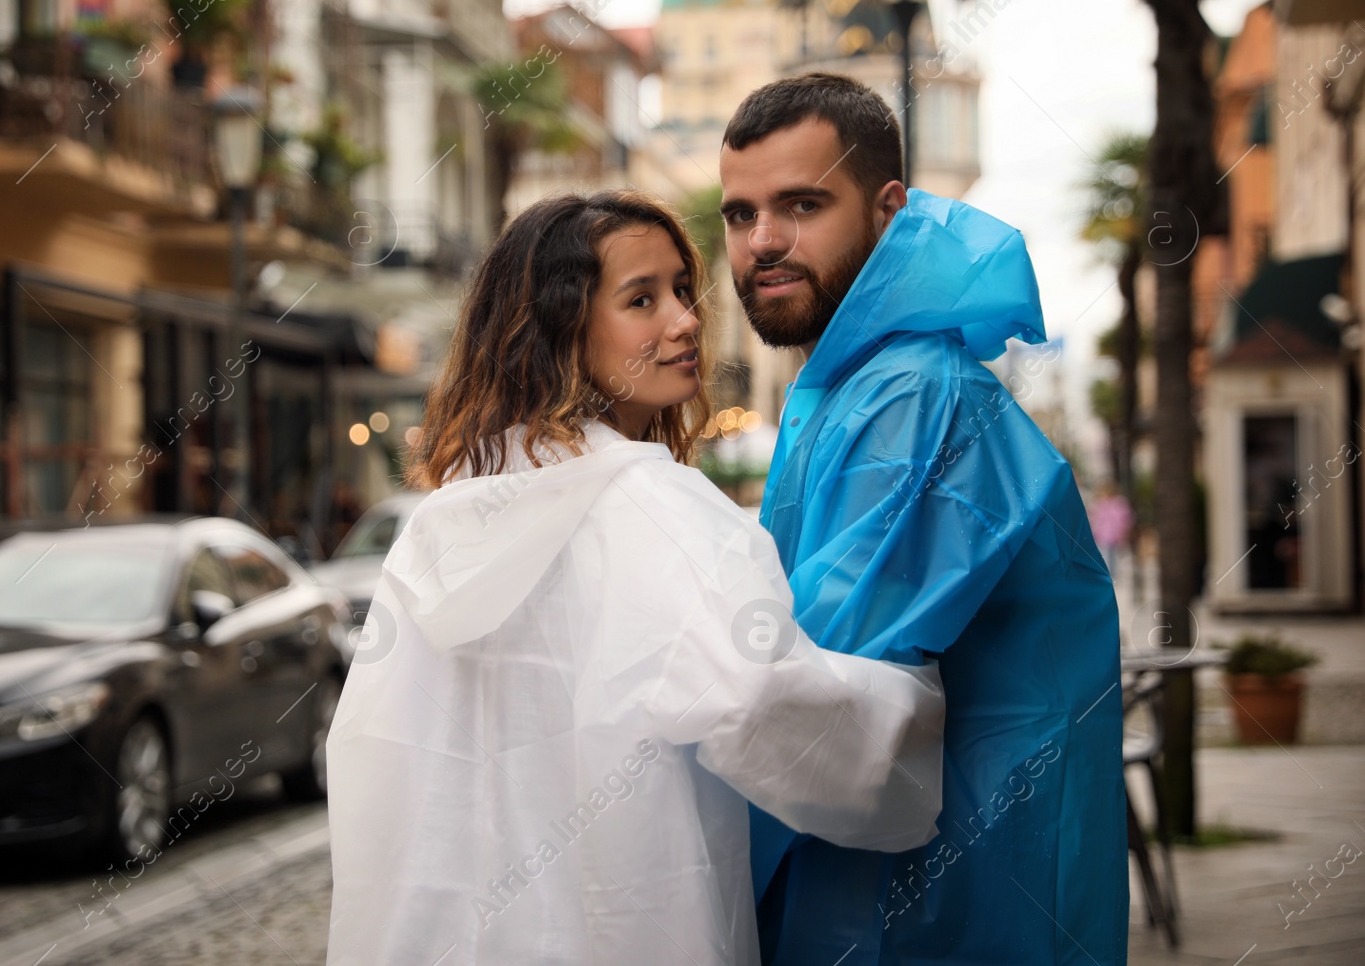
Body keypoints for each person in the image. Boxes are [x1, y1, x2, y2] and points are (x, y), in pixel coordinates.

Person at [325, 191, 947, 966]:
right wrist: (927, 717)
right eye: (641, 299)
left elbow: (374, 757)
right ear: (561, 332)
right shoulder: (654, 506)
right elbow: (764, 703)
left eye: (683, 291)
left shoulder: (435, 527)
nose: (685, 320)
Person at [716, 73, 1126, 965]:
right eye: (740, 214)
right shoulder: (858, 385)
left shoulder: (912, 397)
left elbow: (817, 693)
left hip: (940, 908)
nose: (763, 242)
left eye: (801, 204)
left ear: (889, 208)